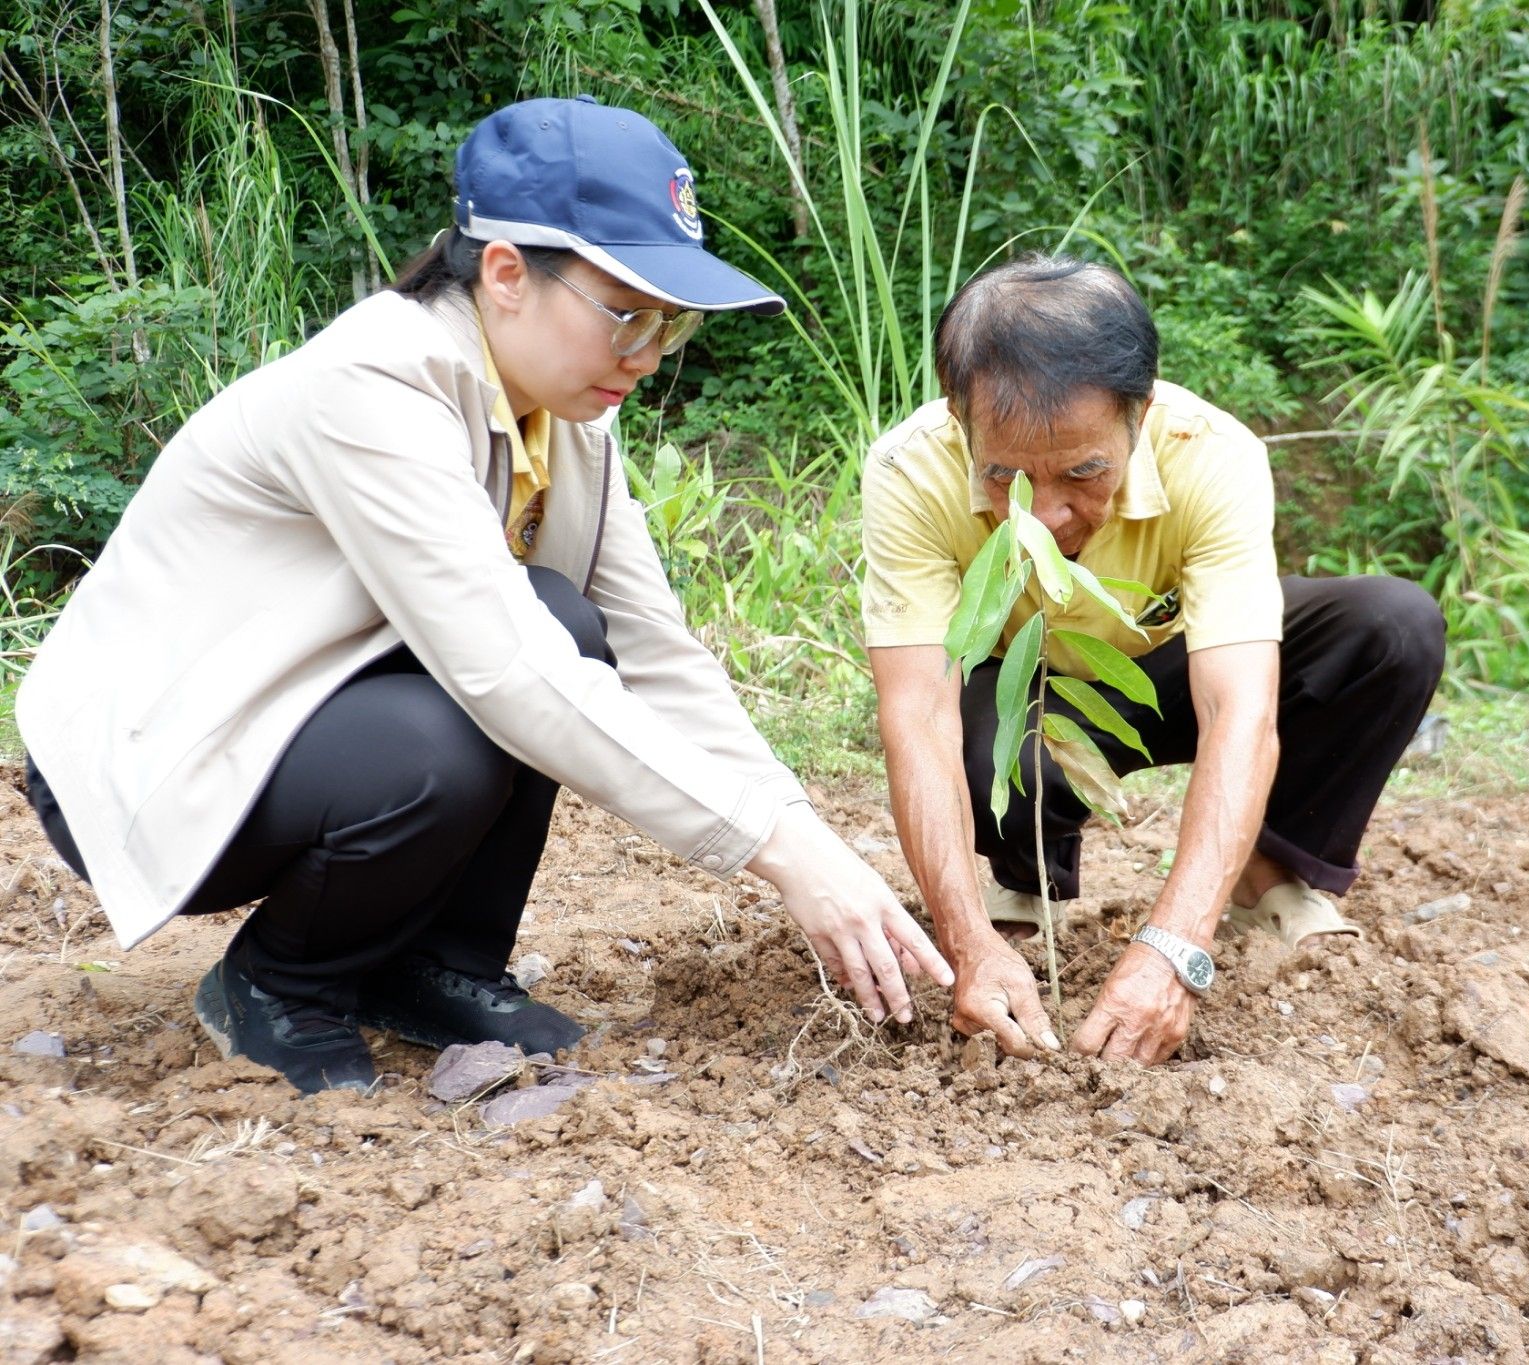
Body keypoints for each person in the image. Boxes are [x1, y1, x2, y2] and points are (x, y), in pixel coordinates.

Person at [17, 95, 951, 1096]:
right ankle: (280, 987)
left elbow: (651, 649)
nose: (643, 357)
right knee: (458, 726)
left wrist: (796, 830)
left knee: (570, 624)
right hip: (164, 760)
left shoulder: (567, 419)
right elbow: (504, 669)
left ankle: (430, 968)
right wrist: (773, 855)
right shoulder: (370, 389)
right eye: (626, 314)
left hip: (306, 721)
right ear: (505, 272)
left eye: (668, 326)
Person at [861, 254, 1443, 1067]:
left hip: (1159, 666)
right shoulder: (907, 468)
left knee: (1390, 626)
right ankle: (1020, 880)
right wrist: (968, 942)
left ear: (1140, 414)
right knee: (986, 744)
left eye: (1083, 472)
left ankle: (1267, 869)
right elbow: (916, 713)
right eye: (1005, 475)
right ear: (959, 419)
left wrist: (1175, 947)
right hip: (1014, 690)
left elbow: (1240, 710)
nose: (1049, 512)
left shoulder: (1212, 454)